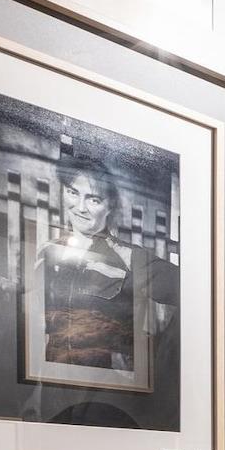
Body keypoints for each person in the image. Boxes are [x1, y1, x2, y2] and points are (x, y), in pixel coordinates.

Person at [30, 157, 142, 377]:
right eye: (73, 193)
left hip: (104, 382)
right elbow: (37, 322)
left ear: (109, 207)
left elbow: (135, 335)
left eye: (93, 199)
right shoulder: (48, 252)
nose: (80, 208)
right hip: (54, 378)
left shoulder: (126, 258)